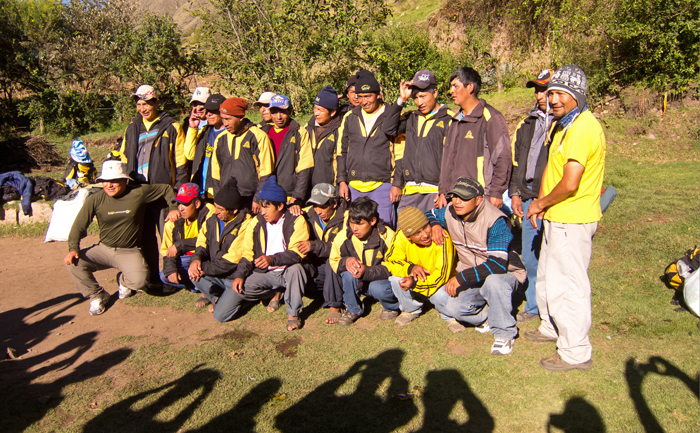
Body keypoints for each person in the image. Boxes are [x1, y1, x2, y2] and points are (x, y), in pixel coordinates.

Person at [524, 65, 606, 372]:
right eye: (551, 93)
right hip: (557, 214)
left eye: (562, 94)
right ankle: (551, 327)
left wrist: (540, 204)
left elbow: (571, 182)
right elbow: (553, 169)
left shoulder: (583, 128)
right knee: (548, 276)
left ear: (578, 96)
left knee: (570, 285)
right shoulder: (563, 125)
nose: (554, 99)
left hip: (573, 218)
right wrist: (542, 206)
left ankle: (575, 351)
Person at [64, 161, 179, 315]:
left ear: (125, 180)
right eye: (105, 181)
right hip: (104, 249)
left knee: (139, 281)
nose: (109, 185)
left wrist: (173, 208)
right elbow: (79, 225)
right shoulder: (95, 199)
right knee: (73, 263)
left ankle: (124, 280)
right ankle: (97, 295)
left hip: (129, 251)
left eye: (114, 181)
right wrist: (73, 249)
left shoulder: (139, 192)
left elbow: (165, 189)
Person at [428, 177, 526, 355]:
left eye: (464, 198)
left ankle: (504, 334)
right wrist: (435, 225)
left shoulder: (496, 220)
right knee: (451, 306)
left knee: (494, 283)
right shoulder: (450, 211)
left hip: (504, 273)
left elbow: (497, 264)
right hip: (473, 274)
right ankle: (490, 313)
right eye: (455, 196)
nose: (457, 201)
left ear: (478, 200)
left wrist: (462, 278)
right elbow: (430, 214)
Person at [119, 84, 188, 288]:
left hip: (163, 193)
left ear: (157, 102)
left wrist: (177, 196)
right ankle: (150, 277)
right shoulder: (132, 128)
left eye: (147, 103)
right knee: (144, 236)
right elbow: (124, 157)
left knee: (168, 234)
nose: (143, 108)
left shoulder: (171, 127)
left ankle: (172, 276)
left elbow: (181, 163)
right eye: (140, 104)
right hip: (138, 192)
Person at [232, 176, 311, 331]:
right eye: (261, 207)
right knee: (244, 287)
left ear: (280, 205)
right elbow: (247, 252)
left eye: (267, 207)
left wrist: (272, 260)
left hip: (287, 270)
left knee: (297, 269)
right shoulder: (255, 222)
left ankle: (293, 314)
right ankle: (274, 293)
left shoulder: (296, 220)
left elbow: (297, 253)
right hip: (266, 273)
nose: (263, 211)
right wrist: (240, 274)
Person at [508, 69, 555, 323]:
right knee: (529, 256)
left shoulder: (562, 125)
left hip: (551, 201)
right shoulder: (526, 124)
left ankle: (554, 307)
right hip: (527, 199)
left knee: (555, 257)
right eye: (537, 90)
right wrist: (515, 193)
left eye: (544, 90)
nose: (539, 95)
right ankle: (535, 305)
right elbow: (517, 163)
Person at [438, 68, 512, 211]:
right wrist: (443, 191)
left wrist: (496, 192)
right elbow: (446, 160)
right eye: (451, 87)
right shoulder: (454, 121)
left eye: (456, 86)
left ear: (470, 87)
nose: (451, 91)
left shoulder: (490, 118)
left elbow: (503, 157)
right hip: (454, 199)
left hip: (480, 199)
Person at [337, 71, 401, 228]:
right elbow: (341, 151)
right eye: (360, 96)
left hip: (383, 185)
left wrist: (397, 183)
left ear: (378, 95)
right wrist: (342, 181)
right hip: (354, 187)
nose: (364, 101)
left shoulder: (390, 116)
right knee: (357, 230)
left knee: (383, 229)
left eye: (368, 96)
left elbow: (400, 153)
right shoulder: (350, 117)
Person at [385, 69, 454, 212]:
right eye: (415, 98)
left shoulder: (450, 119)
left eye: (423, 96)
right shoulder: (411, 118)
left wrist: (444, 191)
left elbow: (453, 160)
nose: (419, 102)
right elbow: (388, 129)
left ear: (435, 93)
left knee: (433, 233)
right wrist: (401, 100)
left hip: (435, 193)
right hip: (410, 191)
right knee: (404, 233)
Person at [188, 179, 253, 320]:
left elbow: (230, 261)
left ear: (234, 210)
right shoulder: (212, 218)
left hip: (234, 277)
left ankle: (245, 300)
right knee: (192, 271)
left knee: (220, 316)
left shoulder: (246, 224)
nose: (216, 211)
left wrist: (202, 268)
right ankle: (218, 298)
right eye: (216, 206)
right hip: (216, 273)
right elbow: (201, 242)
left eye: (220, 209)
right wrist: (196, 259)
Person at [329, 197, 399, 325]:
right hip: (355, 281)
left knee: (380, 289)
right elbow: (334, 260)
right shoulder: (343, 236)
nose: (355, 228)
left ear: (372, 221)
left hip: (379, 280)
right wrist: (346, 261)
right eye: (351, 223)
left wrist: (367, 271)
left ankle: (391, 307)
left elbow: (395, 265)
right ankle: (353, 309)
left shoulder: (387, 235)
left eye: (360, 224)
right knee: (348, 273)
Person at [385, 207, 455, 326]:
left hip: (438, 283)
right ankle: (411, 310)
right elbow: (391, 260)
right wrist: (410, 268)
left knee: (441, 295)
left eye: (425, 227)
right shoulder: (400, 236)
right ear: (408, 237)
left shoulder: (440, 237)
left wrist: (415, 283)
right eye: (417, 233)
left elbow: (442, 275)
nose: (425, 235)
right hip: (413, 279)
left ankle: (449, 317)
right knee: (396, 279)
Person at [211, 97, 275, 214]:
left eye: (228, 119)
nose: (224, 123)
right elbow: (215, 172)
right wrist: (218, 198)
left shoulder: (258, 136)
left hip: (250, 200)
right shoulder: (220, 139)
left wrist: (258, 198)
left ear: (240, 117)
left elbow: (266, 171)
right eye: (223, 119)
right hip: (227, 200)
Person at [298, 183, 349, 325]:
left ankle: (335, 305)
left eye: (322, 206)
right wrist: (293, 208)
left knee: (333, 261)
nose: (318, 210)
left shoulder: (346, 217)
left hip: (337, 269)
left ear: (334, 204)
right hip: (317, 269)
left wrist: (314, 246)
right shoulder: (308, 213)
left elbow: (342, 248)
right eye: (315, 205)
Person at [160, 183, 215, 293]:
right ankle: (196, 287)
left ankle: (205, 288)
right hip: (185, 258)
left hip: (205, 256)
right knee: (164, 276)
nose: (180, 208)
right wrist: (171, 270)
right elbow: (167, 251)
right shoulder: (173, 222)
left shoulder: (209, 212)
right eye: (179, 203)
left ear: (197, 203)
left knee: (200, 268)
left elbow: (208, 239)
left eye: (185, 203)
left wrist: (180, 245)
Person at [266, 94, 314, 215]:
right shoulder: (264, 132)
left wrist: (297, 196)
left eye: (283, 112)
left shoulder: (299, 132)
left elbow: (305, 166)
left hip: (288, 194)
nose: (278, 117)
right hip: (267, 193)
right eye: (274, 112)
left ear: (290, 111)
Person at [185, 94, 227, 201]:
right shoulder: (206, 131)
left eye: (213, 111)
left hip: (220, 191)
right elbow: (190, 155)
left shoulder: (230, 134)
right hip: (201, 190)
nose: (209, 114)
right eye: (207, 111)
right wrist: (193, 128)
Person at [306, 85, 344, 187]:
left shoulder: (339, 130)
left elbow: (340, 162)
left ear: (332, 112)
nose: (316, 113)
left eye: (320, 110)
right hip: (306, 188)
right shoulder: (307, 128)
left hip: (328, 189)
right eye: (315, 108)